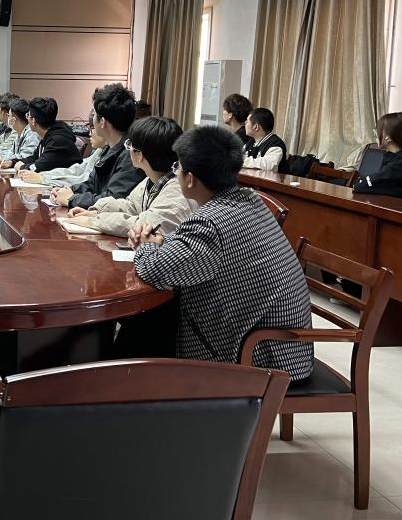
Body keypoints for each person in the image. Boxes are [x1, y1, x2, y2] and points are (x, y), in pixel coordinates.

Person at [129, 124, 314, 380]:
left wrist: (146, 245)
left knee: (146, 324)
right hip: (285, 349)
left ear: (190, 179)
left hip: (260, 357)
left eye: (177, 167)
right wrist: (160, 241)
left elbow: (153, 270)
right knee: (151, 322)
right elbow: (194, 251)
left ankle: (124, 388)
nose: (175, 172)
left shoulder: (211, 222)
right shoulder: (249, 199)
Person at [64, 117, 192, 237]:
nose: (128, 149)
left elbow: (141, 226)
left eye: (130, 145)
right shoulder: (151, 180)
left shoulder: (177, 191)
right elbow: (130, 205)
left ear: (139, 155)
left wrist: (94, 221)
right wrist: (96, 212)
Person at [49, 83, 144, 208]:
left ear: (103, 122)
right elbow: (92, 184)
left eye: (94, 114)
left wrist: (72, 199)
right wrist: (69, 190)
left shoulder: (130, 155)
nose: (92, 119)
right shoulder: (108, 149)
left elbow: (113, 199)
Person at [352, 112, 402, 202]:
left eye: (378, 129)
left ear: (388, 138)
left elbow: (361, 186)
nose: (375, 132)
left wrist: (361, 182)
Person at [14, 97, 82, 173]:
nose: (27, 118)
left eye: (28, 115)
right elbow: (34, 158)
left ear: (33, 120)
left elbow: (40, 166)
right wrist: (13, 162)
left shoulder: (57, 141)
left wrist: (22, 167)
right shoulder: (47, 136)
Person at [0, 97, 39, 167]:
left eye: (9, 116)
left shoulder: (32, 135)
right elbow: (11, 152)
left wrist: (2, 158)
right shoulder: (20, 133)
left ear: (13, 120)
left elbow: (25, 156)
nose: (8, 118)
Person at [242, 107, 288, 172]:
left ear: (256, 127)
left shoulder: (276, 144)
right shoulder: (250, 142)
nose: (245, 124)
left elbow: (267, 165)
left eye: (247, 122)